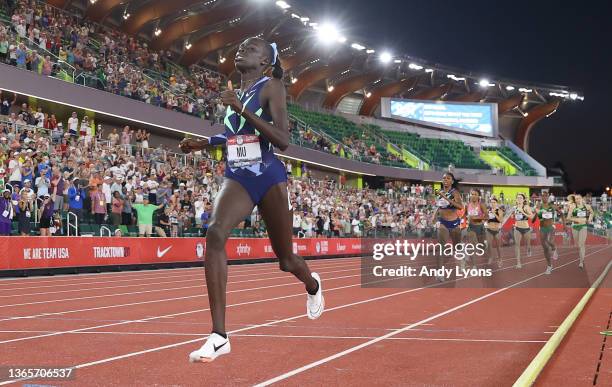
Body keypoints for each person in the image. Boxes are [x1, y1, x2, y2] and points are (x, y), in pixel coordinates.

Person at [180, 37, 323, 363]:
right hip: (239, 175)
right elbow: (234, 135)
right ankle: (219, 336)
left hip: (268, 176)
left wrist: (240, 108)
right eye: (240, 45)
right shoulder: (237, 93)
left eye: (252, 47)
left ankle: (312, 284)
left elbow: (283, 140)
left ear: (265, 62)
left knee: (286, 260)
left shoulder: (271, 86)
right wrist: (202, 144)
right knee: (215, 233)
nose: (241, 48)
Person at [431, 173, 463, 281]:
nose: (445, 180)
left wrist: (446, 198)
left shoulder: (454, 193)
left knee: (457, 247)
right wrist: (434, 216)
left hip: (454, 223)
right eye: (444, 178)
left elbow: (460, 206)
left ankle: (461, 257)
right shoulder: (440, 192)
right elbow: (439, 206)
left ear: (452, 181)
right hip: (443, 222)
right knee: (441, 247)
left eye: (448, 178)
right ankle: (440, 272)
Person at [536, 190, 562, 274]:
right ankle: (549, 266)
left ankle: (554, 249)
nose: (544, 197)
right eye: (543, 196)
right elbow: (536, 215)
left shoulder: (552, 206)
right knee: (545, 248)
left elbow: (561, 213)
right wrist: (535, 216)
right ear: (541, 197)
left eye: (546, 196)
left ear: (548, 197)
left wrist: (564, 224)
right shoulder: (539, 205)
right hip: (542, 228)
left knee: (550, 241)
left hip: (551, 227)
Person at [567, 194, 593, 268]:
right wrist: (577, 220)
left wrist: (589, 219)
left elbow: (592, 213)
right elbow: (568, 217)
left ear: (581, 199)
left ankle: (581, 262)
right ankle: (581, 257)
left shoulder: (587, 206)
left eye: (578, 198)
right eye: (576, 199)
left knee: (581, 244)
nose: (577, 200)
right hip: (575, 226)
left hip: (583, 226)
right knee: (578, 245)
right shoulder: (573, 207)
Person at [466, 189, 488, 269]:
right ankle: (474, 265)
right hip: (471, 227)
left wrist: (477, 218)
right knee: (473, 245)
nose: (473, 196)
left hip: (480, 227)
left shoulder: (481, 205)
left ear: (478, 196)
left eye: (475, 194)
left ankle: (484, 246)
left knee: (480, 247)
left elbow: (486, 216)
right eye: (472, 194)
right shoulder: (467, 205)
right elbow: (463, 215)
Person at [513, 193, 533, 268]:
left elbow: (531, 216)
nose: (519, 199)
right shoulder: (514, 207)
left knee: (528, 244)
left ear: (523, 199)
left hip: (526, 229)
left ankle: (529, 249)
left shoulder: (526, 207)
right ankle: (518, 263)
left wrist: (523, 212)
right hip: (517, 228)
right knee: (517, 245)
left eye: (521, 198)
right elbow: (513, 216)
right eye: (517, 198)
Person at [485, 196, 504, 267]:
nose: (492, 204)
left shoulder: (499, 211)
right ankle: (490, 257)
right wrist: (486, 222)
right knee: (489, 245)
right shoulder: (488, 210)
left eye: (494, 202)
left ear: (497, 203)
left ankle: (500, 259)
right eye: (491, 202)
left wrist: (494, 213)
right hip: (489, 230)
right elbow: (486, 219)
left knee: (498, 247)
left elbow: (501, 220)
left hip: (497, 231)